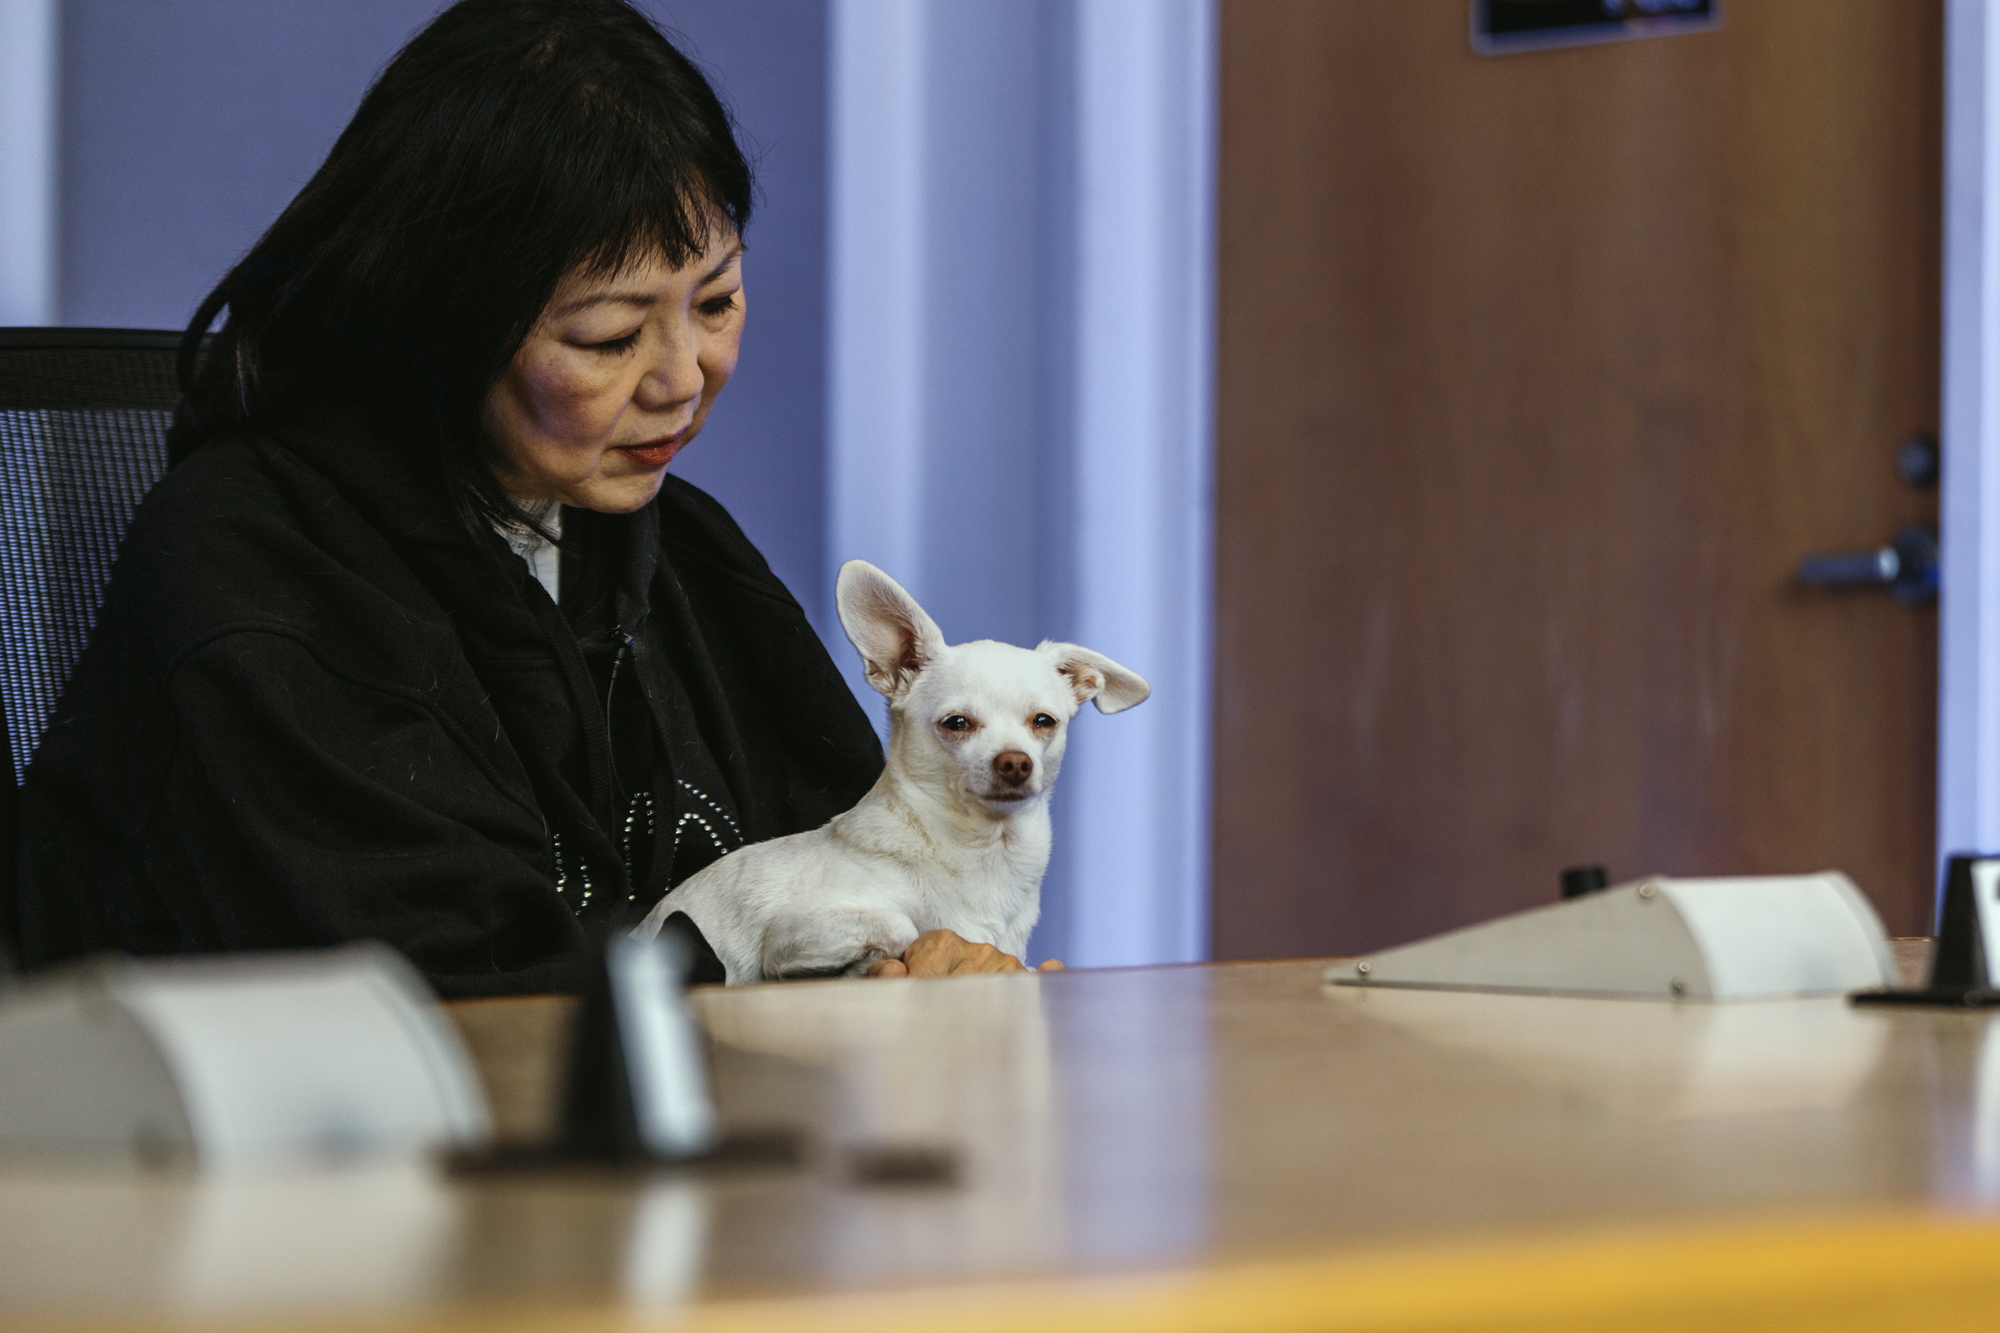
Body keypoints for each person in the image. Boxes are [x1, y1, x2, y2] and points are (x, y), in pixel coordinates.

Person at [13, 0, 1033, 994]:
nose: (685, 377)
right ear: (441, 325)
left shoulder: (684, 548)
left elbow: (878, 859)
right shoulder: (254, 574)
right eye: (609, 337)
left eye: (717, 299)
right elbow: (466, 1005)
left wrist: (936, 968)